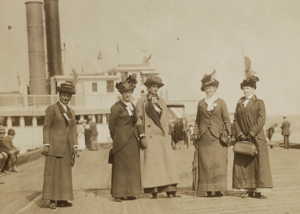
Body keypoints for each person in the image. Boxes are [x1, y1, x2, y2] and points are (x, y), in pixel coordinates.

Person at [136, 76, 180, 199]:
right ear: (148, 87)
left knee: (167, 164)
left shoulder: (162, 102)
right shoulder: (142, 102)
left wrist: (169, 136)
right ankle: (153, 190)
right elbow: (138, 120)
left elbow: (165, 120)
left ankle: (170, 190)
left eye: (157, 87)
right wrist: (142, 135)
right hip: (150, 137)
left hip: (162, 138)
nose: (155, 89)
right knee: (153, 166)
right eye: (153, 87)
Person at [232, 76, 273, 199]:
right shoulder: (239, 103)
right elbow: (235, 120)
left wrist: (250, 134)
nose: (245, 91)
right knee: (245, 165)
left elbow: (261, 120)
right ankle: (246, 189)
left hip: (256, 137)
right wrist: (240, 134)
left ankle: (258, 190)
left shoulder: (259, 102)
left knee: (258, 164)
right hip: (243, 138)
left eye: (248, 88)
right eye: (244, 88)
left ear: (254, 89)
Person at [193, 70, 231, 197]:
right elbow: (197, 120)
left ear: (215, 88)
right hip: (204, 137)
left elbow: (226, 119)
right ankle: (208, 189)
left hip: (218, 138)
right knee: (206, 164)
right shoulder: (201, 103)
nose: (208, 90)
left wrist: (229, 133)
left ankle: (219, 189)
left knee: (219, 163)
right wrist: (195, 133)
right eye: (206, 88)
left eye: (210, 88)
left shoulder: (221, 102)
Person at [42, 81, 78, 209]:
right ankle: (52, 199)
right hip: (54, 146)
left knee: (65, 174)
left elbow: (73, 130)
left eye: (68, 96)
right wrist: (46, 144)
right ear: (59, 94)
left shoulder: (71, 111)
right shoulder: (52, 109)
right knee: (53, 173)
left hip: (67, 148)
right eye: (63, 95)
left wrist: (75, 146)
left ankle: (63, 199)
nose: (66, 98)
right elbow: (46, 127)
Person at [109, 75, 142, 202]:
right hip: (121, 141)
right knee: (120, 167)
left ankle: (131, 192)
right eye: (125, 92)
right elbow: (111, 126)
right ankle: (118, 194)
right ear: (121, 94)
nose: (127, 95)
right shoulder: (116, 107)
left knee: (132, 166)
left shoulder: (133, 106)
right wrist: (116, 138)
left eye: (129, 92)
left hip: (133, 140)